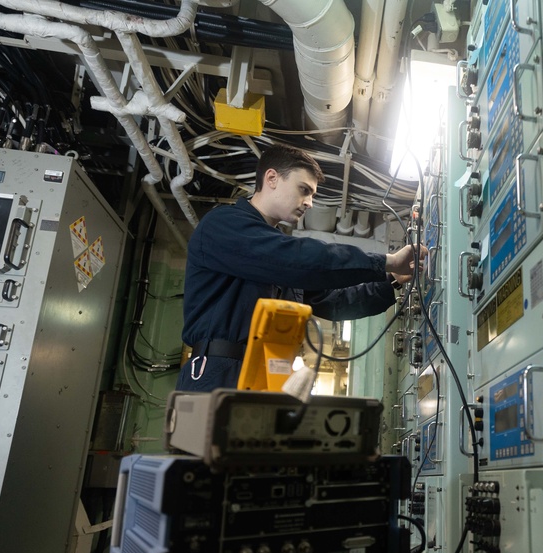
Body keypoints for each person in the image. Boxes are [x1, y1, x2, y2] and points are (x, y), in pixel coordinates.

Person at [176, 144, 426, 391]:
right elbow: (300, 259)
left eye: (312, 195)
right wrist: (386, 260)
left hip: (266, 374)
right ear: (272, 178)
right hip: (217, 373)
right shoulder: (224, 225)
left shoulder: (279, 259)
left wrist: (392, 279)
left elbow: (335, 302)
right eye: (304, 190)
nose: (309, 203)